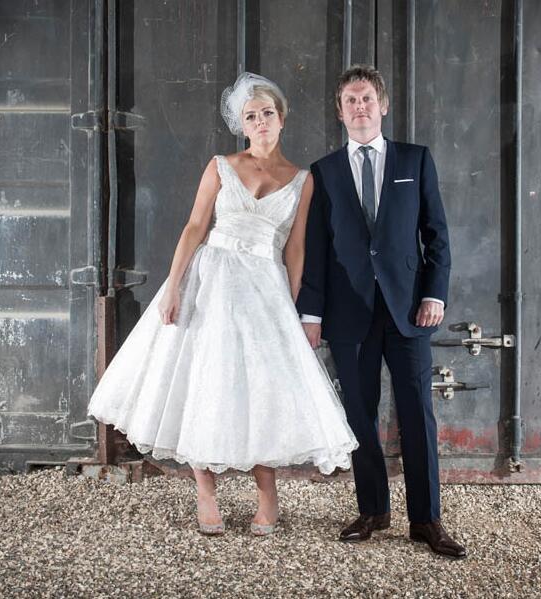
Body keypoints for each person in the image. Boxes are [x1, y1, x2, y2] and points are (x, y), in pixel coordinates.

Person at [87, 72, 357, 537]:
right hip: (209, 282)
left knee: (260, 392)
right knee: (202, 383)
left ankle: (267, 495)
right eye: (251, 116)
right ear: (243, 124)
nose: (260, 122)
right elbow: (194, 227)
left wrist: (290, 311)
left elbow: (296, 249)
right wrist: (173, 286)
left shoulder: (303, 180)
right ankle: (206, 493)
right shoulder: (221, 166)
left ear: (281, 118)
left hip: (265, 289)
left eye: (267, 113)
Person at [297, 65, 466, 558]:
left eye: (367, 98)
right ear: (340, 111)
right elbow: (316, 249)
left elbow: (437, 235)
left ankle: (426, 519)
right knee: (359, 417)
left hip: (409, 311)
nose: (360, 107)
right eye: (350, 100)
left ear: (383, 105)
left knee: (418, 414)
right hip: (348, 315)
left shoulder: (415, 159)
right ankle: (372, 509)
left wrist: (434, 294)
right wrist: (312, 314)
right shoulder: (324, 172)